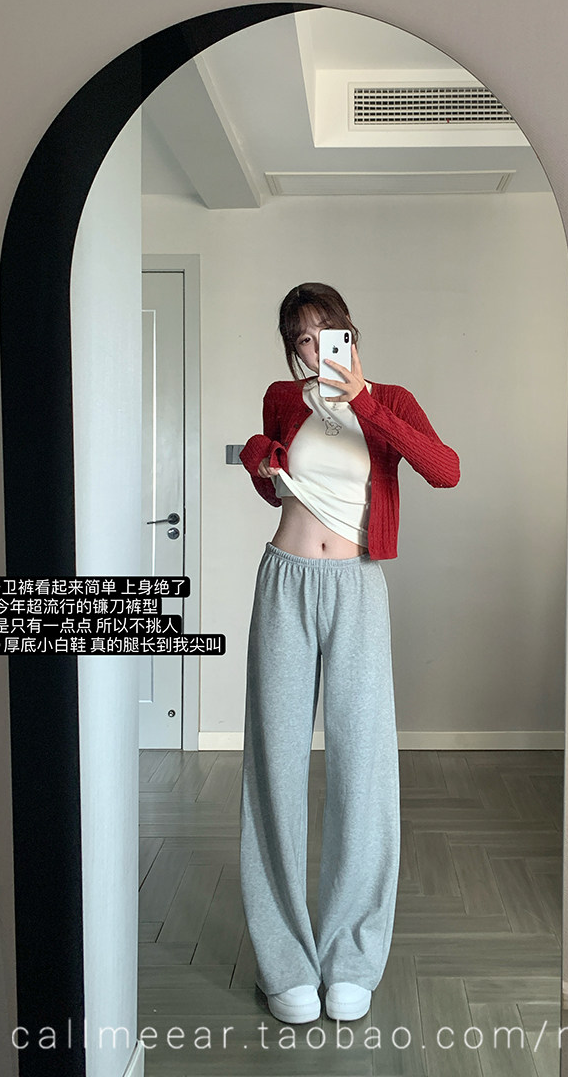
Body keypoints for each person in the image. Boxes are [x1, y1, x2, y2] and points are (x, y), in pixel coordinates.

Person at [238, 282, 460, 1026]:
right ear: (290, 349)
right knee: (275, 766)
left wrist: (363, 401)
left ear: (350, 334)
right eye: (301, 339)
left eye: (327, 333)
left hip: (357, 588)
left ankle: (352, 957)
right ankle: (285, 963)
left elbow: (445, 468)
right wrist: (260, 459)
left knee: (363, 769)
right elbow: (274, 483)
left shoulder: (389, 399)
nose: (315, 349)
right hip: (284, 580)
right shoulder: (281, 397)